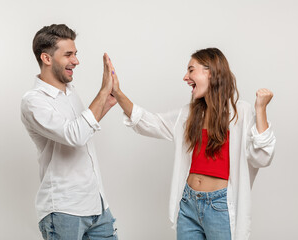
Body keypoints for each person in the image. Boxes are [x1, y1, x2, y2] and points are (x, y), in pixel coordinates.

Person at [109, 48, 276, 240]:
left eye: (191, 70)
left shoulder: (242, 112)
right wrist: (118, 93)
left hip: (220, 207)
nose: (185, 77)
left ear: (210, 72)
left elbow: (263, 156)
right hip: (188, 205)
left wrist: (261, 108)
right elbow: (151, 122)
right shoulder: (189, 113)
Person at [21, 24, 118, 240]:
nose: (76, 61)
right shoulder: (33, 102)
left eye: (75, 54)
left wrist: (106, 105)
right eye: (68, 54)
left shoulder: (70, 93)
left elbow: (81, 130)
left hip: (97, 205)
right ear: (47, 58)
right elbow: (74, 135)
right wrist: (102, 92)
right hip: (64, 210)